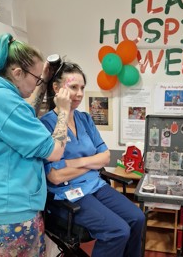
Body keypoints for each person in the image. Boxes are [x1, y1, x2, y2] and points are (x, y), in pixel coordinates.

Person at [40, 59, 145, 257]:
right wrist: (91, 164)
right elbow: (55, 177)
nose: (79, 93)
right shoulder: (44, 125)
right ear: (56, 88)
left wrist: (75, 163)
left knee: (137, 218)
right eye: (73, 87)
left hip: (95, 185)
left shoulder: (85, 119)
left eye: (82, 87)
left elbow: (105, 157)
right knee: (117, 231)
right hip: (68, 193)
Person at [0, 33, 71, 257]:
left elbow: (23, 115)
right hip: (11, 213)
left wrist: (41, 81)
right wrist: (63, 112)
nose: (37, 83)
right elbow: (55, 151)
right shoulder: (5, 101)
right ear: (17, 73)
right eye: (36, 78)